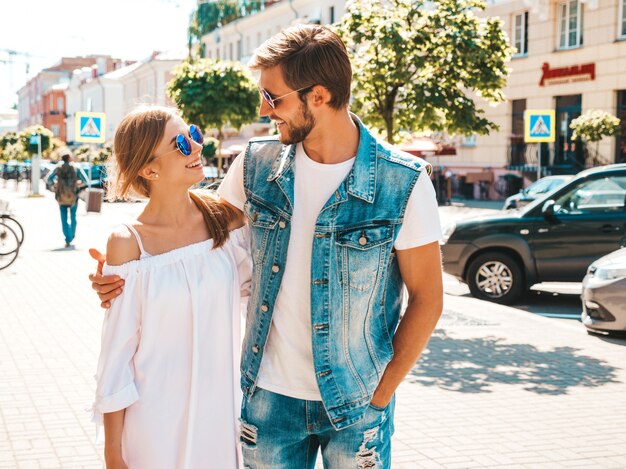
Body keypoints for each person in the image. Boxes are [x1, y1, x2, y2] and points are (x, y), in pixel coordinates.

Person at [91, 25, 443, 468]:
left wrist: (381, 394)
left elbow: (428, 299)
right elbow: (194, 238)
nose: (263, 109)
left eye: (273, 98)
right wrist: (125, 274)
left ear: (317, 96)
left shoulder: (403, 182)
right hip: (268, 404)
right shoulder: (254, 166)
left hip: (356, 408)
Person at [92, 106, 250, 469]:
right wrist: (113, 455)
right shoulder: (127, 243)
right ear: (149, 169)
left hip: (220, 420)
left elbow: (257, 288)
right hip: (154, 430)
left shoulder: (225, 219)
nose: (196, 146)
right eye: (180, 142)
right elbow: (116, 359)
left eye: (193, 133)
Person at [54, 153, 80, 247]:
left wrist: (55, 186)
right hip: (73, 197)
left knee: (64, 219)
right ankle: (72, 235)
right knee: (73, 217)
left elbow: (48, 179)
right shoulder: (75, 168)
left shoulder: (58, 168)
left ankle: (67, 238)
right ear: (69, 159)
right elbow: (85, 180)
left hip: (61, 197)